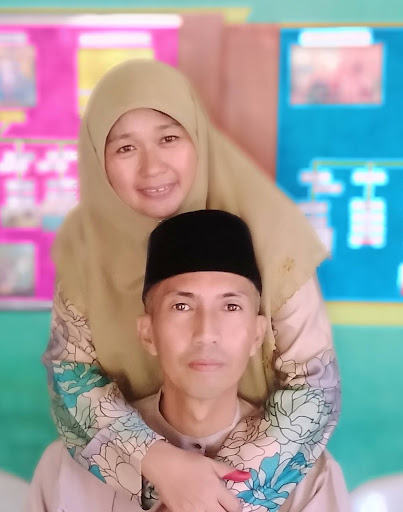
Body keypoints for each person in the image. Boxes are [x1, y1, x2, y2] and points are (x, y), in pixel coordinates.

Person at [44, 59, 340, 511]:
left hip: (259, 466)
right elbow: (71, 379)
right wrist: (160, 467)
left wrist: (217, 493)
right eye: (125, 148)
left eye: (168, 138)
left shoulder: (270, 232)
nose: (152, 168)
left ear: (198, 138)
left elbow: (314, 388)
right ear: (97, 160)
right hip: (126, 473)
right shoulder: (86, 247)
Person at [29, 210, 349, 511]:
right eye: (181, 306)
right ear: (148, 333)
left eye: (231, 307)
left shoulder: (307, 476)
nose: (206, 333)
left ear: (257, 334)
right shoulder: (67, 469)